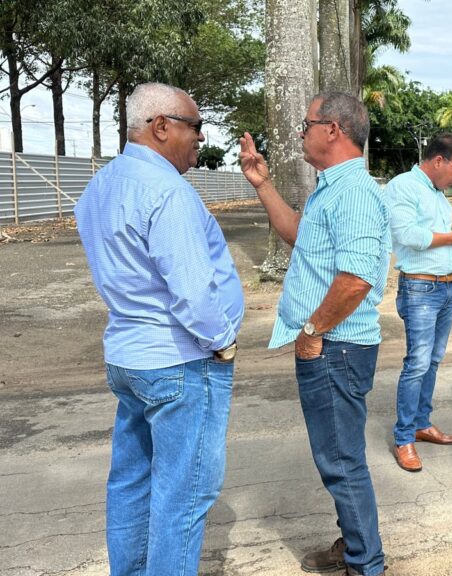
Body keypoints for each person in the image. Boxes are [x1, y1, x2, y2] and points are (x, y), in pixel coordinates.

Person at [75, 82, 244, 575]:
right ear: (162, 126)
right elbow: (192, 292)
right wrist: (223, 342)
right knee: (184, 495)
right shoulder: (168, 192)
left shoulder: (101, 185)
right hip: (179, 360)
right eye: (195, 126)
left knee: (133, 481)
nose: (201, 138)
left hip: (129, 356)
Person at [238, 92, 389, 576]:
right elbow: (297, 234)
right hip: (331, 346)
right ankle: (357, 545)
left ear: (333, 130)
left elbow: (356, 279)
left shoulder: (354, 193)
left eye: (306, 124)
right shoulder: (332, 188)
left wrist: (311, 330)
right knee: (340, 458)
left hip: (334, 347)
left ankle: (365, 564)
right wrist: (262, 184)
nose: (300, 133)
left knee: (341, 462)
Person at [386, 133, 452, 472]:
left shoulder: (439, 197)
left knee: (433, 361)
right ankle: (403, 438)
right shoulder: (403, 187)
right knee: (417, 363)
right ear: (438, 160)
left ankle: (421, 423)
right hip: (420, 288)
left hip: (446, 286)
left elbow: (433, 242)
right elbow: (408, 236)